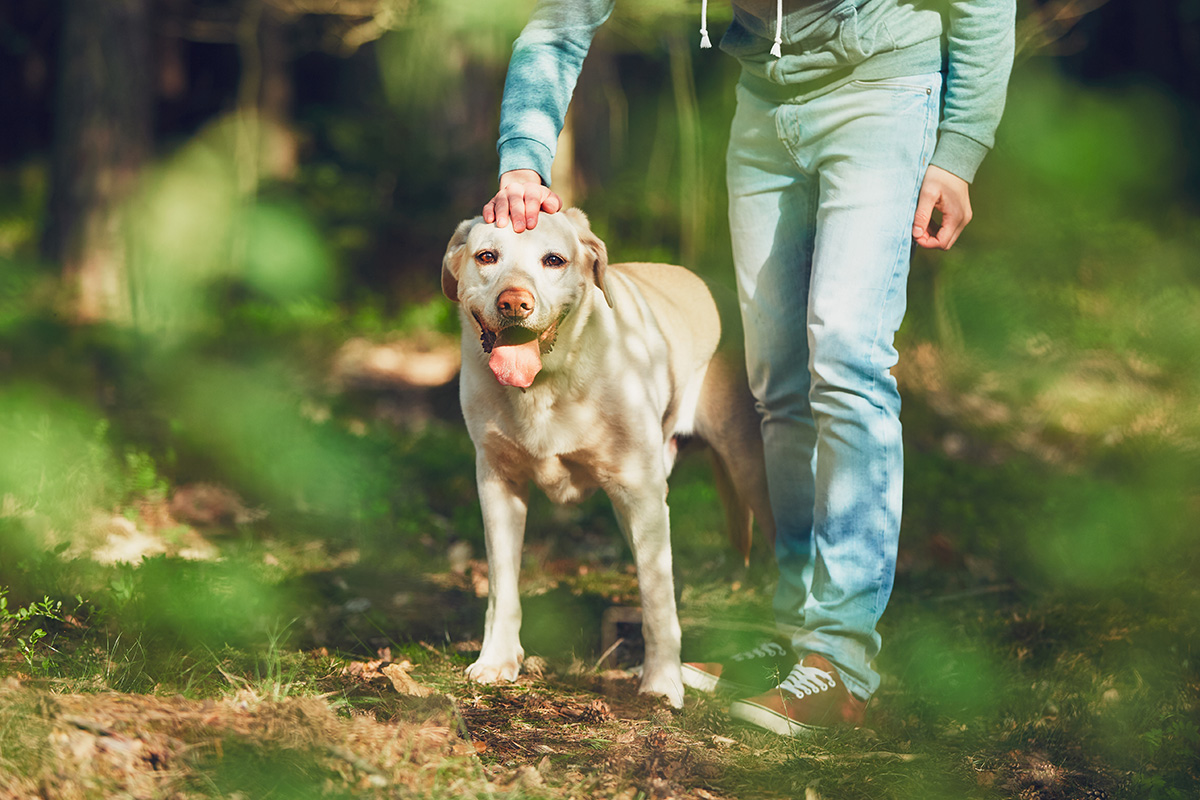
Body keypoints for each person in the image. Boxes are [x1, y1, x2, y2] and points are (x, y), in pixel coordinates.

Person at [481, 0, 1015, 736]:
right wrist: (522, 158)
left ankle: (841, 662)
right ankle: (798, 632)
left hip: (882, 92)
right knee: (779, 386)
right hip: (765, 103)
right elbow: (563, 19)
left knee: (848, 355)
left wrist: (959, 147)